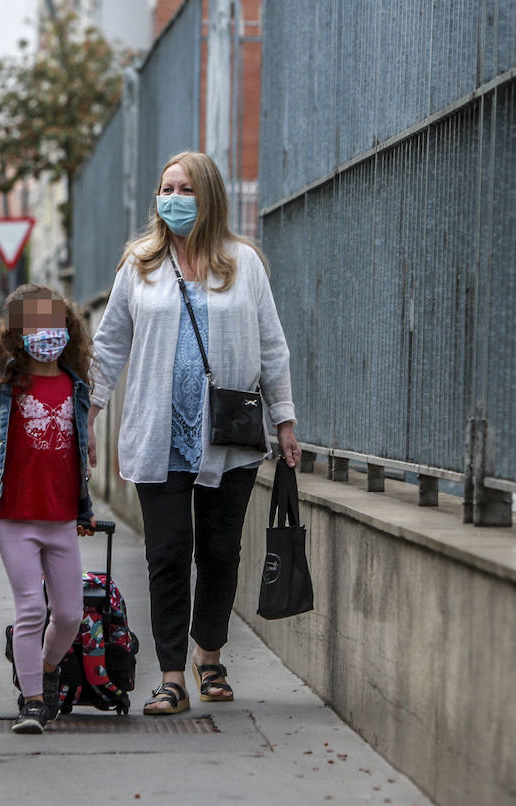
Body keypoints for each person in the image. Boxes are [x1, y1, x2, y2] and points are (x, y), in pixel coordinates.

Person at [88, 151, 302, 716]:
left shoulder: (243, 263)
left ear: (207, 197)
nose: (173, 198)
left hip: (227, 437)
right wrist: (86, 412)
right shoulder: (140, 263)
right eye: (166, 188)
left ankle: (210, 657)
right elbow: (109, 346)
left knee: (219, 552)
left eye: (184, 188)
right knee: (167, 553)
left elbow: (272, 345)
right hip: (159, 433)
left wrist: (284, 418)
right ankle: (171, 675)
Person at [0, 284, 96, 734]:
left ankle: (45, 667)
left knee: (70, 615)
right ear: (16, 334)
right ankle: (33, 700)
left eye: (52, 322)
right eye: (34, 324)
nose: (45, 333)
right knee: (30, 611)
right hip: (15, 520)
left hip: (61, 521)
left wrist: (86, 510)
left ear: (67, 329)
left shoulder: (76, 388)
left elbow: (79, 457)